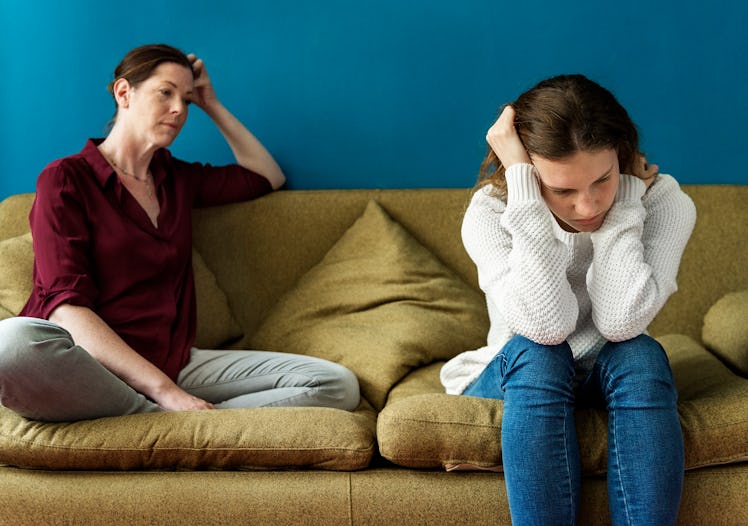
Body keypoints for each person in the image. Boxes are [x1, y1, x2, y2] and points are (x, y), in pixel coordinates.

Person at [0, 44, 359, 422]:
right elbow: (65, 310)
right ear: (124, 93)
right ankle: (168, 414)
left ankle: (159, 421)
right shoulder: (66, 179)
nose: (179, 110)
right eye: (165, 93)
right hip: (91, 364)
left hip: (175, 362)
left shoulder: (177, 180)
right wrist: (168, 393)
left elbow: (267, 176)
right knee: (11, 345)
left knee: (335, 384)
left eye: (186, 101)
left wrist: (212, 103)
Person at [440, 74, 696, 525]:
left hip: (610, 370)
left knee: (640, 354)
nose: (588, 206)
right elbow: (545, 327)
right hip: (518, 369)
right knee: (541, 356)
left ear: (622, 155)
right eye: (562, 190)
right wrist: (526, 193)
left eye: (603, 179)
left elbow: (620, 322)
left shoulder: (663, 202)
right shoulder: (492, 212)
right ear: (526, 173)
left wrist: (626, 206)